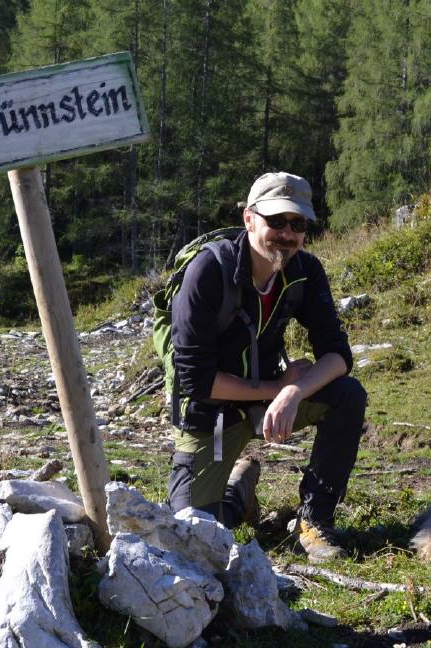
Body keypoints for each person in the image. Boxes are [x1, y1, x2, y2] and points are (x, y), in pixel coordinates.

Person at [167, 171, 366, 563]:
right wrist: (276, 389)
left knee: (347, 396)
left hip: (268, 401)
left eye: (298, 224)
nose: (287, 234)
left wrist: (294, 392)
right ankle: (237, 497)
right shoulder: (208, 272)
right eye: (276, 221)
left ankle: (314, 522)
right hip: (213, 415)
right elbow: (196, 379)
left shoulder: (305, 271)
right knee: (191, 532)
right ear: (249, 219)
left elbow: (338, 355)